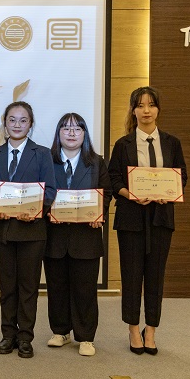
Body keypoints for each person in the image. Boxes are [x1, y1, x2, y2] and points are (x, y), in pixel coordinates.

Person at [108, 86, 187, 355]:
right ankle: (133, 328)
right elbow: (113, 179)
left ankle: (150, 329)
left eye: (151, 105)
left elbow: (181, 176)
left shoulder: (172, 143)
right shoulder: (123, 144)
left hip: (161, 218)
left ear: (158, 109)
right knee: (131, 276)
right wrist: (129, 194)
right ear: (133, 110)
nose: (146, 111)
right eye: (140, 106)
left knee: (155, 275)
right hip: (131, 219)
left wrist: (170, 193)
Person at [0, 101, 57, 359]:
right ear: (5, 123)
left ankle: (25, 337)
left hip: (32, 231)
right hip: (3, 229)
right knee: (7, 286)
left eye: (23, 120)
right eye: (12, 120)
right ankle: (8, 334)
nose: (17, 125)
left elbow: (50, 190)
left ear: (31, 124)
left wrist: (36, 210)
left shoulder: (42, 154)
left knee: (28, 286)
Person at [43, 113, 112, 356]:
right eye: (65, 128)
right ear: (58, 133)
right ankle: (60, 331)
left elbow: (106, 193)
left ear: (85, 134)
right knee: (56, 286)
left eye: (77, 128)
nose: (71, 133)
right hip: (54, 236)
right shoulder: (47, 161)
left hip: (86, 236)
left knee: (85, 288)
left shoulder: (97, 162)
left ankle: (85, 337)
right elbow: (42, 193)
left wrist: (99, 214)